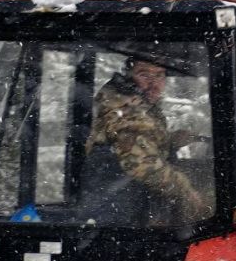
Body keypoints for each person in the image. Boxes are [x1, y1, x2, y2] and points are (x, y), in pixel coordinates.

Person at [81, 55, 207, 224]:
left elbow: (133, 144)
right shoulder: (128, 111)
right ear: (129, 77)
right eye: (144, 75)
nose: (154, 84)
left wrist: (169, 142)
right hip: (119, 214)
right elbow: (144, 166)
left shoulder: (137, 105)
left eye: (159, 75)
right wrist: (186, 191)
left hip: (121, 206)